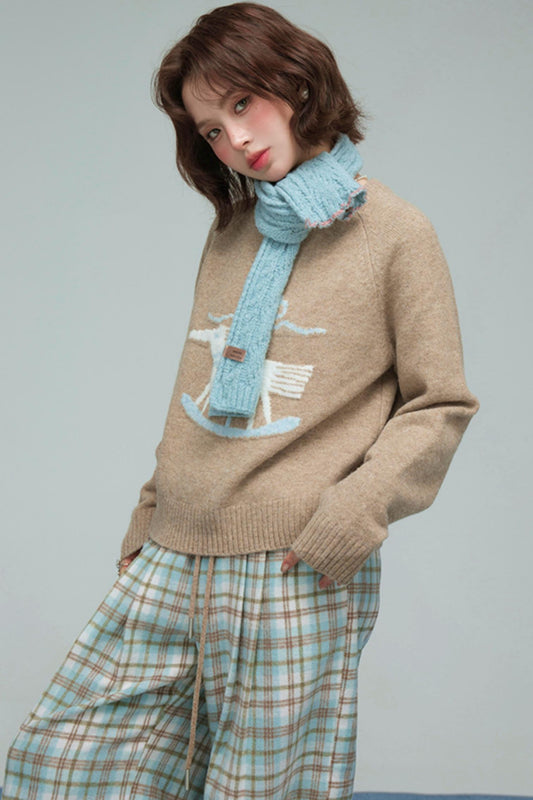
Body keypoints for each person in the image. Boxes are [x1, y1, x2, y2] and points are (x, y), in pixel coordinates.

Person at [2, 2, 481, 799]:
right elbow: (195, 386)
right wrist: (150, 512)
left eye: (241, 103)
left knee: (255, 789)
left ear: (296, 83)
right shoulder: (232, 231)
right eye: (211, 129)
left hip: (295, 558)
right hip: (179, 543)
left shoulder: (397, 232)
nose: (235, 139)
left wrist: (349, 516)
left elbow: (440, 404)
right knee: (56, 764)